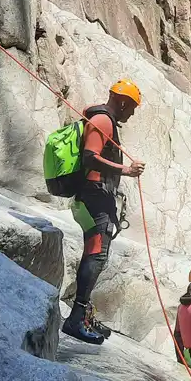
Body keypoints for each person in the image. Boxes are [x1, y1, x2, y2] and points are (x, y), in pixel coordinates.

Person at [62, 79, 147, 344]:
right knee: (96, 255)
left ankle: (83, 314)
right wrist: (126, 171)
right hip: (94, 195)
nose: (131, 114)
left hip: (98, 195)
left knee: (98, 255)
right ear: (123, 102)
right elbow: (89, 156)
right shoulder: (103, 121)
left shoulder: (106, 120)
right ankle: (75, 320)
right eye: (131, 108)